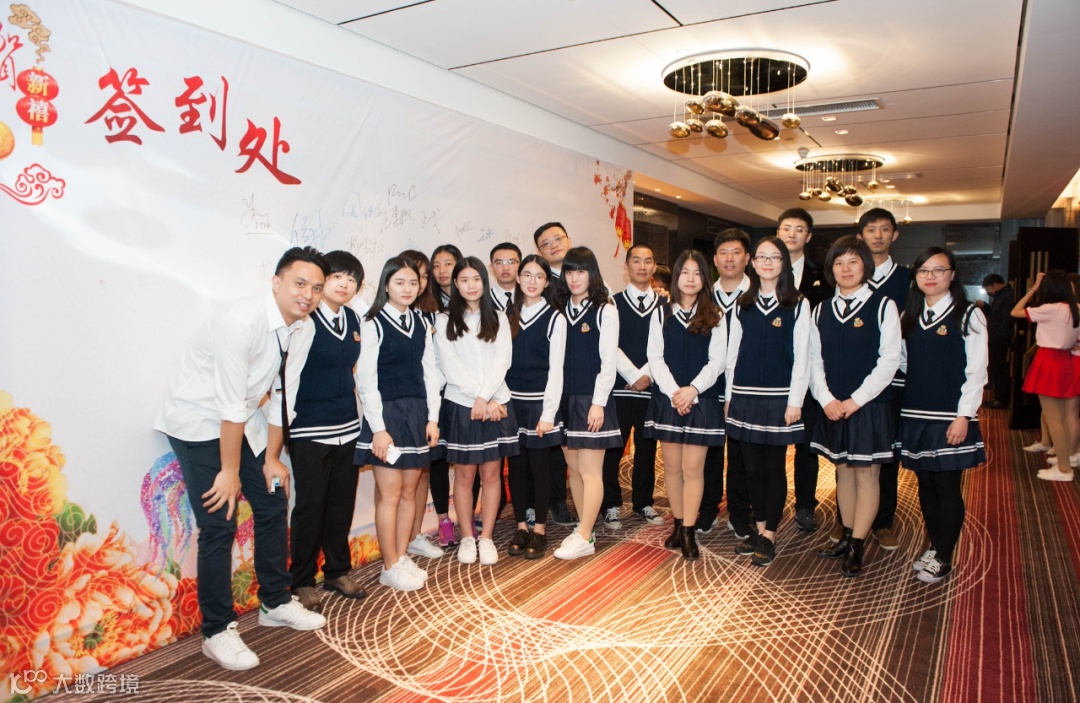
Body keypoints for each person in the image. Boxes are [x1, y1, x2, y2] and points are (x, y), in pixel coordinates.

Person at [154, 246, 328, 671]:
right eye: (299, 283)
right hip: (197, 422)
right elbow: (228, 404)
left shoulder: (303, 328)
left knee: (272, 499)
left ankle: (274, 602)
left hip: (243, 420)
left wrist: (272, 458)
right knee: (220, 520)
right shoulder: (241, 322)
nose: (307, 295)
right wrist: (229, 472)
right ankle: (216, 631)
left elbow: (283, 395)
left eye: (316, 288)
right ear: (276, 282)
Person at [811, 236, 902, 577]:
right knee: (843, 472)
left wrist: (857, 400)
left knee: (867, 475)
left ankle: (858, 545)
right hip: (834, 405)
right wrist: (826, 399)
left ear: (865, 265)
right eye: (838, 263)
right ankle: (847, 535)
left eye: (853, 261)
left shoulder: (883, 306)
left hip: (869, 406)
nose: (845, 269)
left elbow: (889, 361)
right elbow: (813, 360)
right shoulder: (820, 309)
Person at [283, 250, 367, 613]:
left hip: (347, 426)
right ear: (322, 282)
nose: (344, 284)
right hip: (309, 428)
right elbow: (287, 377)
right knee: (310, 506)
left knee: (341, 503)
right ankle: (302, 580)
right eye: (337, 277)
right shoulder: (305, 318)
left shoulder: (353, 319)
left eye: (352, 279)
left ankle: (337, 571)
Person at [898, 247, 987, 584]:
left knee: (947, 486)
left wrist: (964, 415)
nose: (930, 276)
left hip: (951, 416)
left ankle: (945, 556)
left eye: (938, 270)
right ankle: (935, 546)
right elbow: (903, 362)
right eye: (923, 271)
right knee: (925, 484)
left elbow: (977, 371)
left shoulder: (969, 315)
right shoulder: (909, 314)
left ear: (952, 274)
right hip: (916, 413)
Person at [354, 257, 442, 591]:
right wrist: (378, 428)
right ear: (386, 285)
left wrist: (432, 418)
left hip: (417, 413)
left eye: (413, 283)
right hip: (386, 416)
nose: (407, 289)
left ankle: (401, 556)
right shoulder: (373, 322)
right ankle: (389, 565)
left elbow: (430, 373)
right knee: (389, 495)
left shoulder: (421, 321)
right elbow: (366, 381)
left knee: (408, 492)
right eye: (399, 282)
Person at [726, 237, 810, 566]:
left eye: (774, 257)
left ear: (784, 263)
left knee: (774, 468)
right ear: (753, 262)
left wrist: (795, 401)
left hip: (779, 399)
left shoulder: (797, 303)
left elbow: (802, 357)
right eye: (762, 257)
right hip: (745, 397)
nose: (767, 263)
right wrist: (730, 396)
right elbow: (733, 355)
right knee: (750, 468)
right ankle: (759, 528)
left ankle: (771, 533)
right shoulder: (742, 304)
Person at [434, 256, 519, 565]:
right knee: (464, 476)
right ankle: (468, 537)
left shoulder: (498, 317)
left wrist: (487, 398)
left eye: (476, 279)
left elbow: (502, 361)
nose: (471, 285)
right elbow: (450, 366)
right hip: (462, 404)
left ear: (485, 282)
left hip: (495, 403)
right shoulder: (444, 320)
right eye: (464, 280)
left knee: (492, 474)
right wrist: (479, 398)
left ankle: (487, 538)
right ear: (455, 284)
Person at [644, 249, 726, 560]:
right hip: (668, 399)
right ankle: (678, 524)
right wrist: (674, 392)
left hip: (701, 400)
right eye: (684, 273)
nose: (690, 279)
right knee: (673, 468)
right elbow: (655, 357)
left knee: (693, 469)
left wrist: (692, 390)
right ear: (676, 277)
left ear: (705, 278)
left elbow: (717, 361)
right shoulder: (660, 313)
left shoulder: (716, 315)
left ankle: (690, 530)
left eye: (697, 273)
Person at [553, 246, 623, 559]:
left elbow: (608, 363)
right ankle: (586, 530)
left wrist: (598, 403)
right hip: (563, 399)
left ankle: (583, 535)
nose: (574, 278)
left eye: (581, 271)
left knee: (590, 470)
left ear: (591, 273)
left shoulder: (605, 309)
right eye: (569, 271)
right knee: (574, 469)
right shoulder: (559, 308)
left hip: (592, 400)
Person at [854, 207, 909, 552]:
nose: (877, 235)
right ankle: (849, 520)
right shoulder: (849, 274)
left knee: (886, 450)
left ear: (894, 235)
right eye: (871, 229)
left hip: (893, 377)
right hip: (850, 380)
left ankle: (884, 521)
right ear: (860, 235)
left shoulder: (907, 279)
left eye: (884, 229)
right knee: (849, 454)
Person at [505, 254, 565, 559]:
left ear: (547, 282)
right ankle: (520, 527)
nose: (532, 281)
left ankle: (539, 530)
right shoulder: (506, 315)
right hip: (511, 403)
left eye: (539, 277)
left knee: (540, 468)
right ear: (517, 279)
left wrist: (548, 414)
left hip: (540, 404)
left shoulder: (555, 318)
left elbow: (557, 371)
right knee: (515, 468)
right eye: (526, 275)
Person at [777, 209, 833, 533]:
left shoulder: (822, 276)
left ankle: (805, 505)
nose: (792, 234)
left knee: (806, 445)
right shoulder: (762, 271)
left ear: (808, 236)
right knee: (771, 445)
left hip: (809, 371)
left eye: (799, 229)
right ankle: (771, 502)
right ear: (778, 232)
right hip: (773, 371)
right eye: (787, 228)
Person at [603, 244, 664, 529]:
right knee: (613, 449)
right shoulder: (612, 303)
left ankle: (643, 502)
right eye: (636, 261)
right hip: (620, 388)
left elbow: (665, 346)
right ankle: (610, 504)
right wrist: (632, 374)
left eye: (647, 261)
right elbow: (609, 344)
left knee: (647, 449)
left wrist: (647, 375)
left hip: (651, 389)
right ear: (626, 266)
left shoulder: (666, 305)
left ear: (654, 267)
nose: (642, 266)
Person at [698, 228, 751, 537]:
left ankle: (739, 511)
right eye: (723, 253)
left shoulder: (758, 294)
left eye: (736, 253)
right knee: (709, 451)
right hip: (709, 386)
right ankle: (708, 509)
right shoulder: (703, 295)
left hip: (746, 386)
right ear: (715, 259)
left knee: (742, 453)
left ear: (747, 258)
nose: (729, 259)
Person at [397, 249, 448, 562]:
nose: (414, 284)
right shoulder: (385, 316)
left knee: (422, 472)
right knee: (395, 480)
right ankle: (396, 542)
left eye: (422, 277)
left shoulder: (433, 315)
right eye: (408, 277)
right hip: (400, 404)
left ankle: (414, 534)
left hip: (431, 402)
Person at [1011, 270, 1080, 481]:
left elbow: (1015, 311)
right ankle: (1064, 463)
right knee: (1061, 418)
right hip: (1065, 361)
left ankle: (1064, 469)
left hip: (1048, 360)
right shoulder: (1076, 308)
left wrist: (1033, 289)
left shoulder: (1050, 309)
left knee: (1054, 419)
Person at [533, 222, 575, 526]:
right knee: (542, 441)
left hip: (577, 372)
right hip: (545, 373)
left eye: (557, 239)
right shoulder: (539, 282)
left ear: (568, 240)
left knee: (566, 441)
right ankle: (542, 501)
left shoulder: (585, 274)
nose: (553, 245)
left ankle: (559, 500)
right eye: (545, 243)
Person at [427, 244, 462, 546]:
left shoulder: (474, 300)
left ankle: (468, 515)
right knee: (437, 459)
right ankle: (443, 520)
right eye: (436, 265)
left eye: (448, 263)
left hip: (465, 392)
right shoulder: (426, 305)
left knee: (468, 457)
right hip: (437, 391)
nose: (441, 270)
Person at [980, 273, 1015, 409]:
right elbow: (994, 315)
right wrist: (985, 306)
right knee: (995, 367)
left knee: (999, 368)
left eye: (988, 288)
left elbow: (1008, 318)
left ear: (995, 285)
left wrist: (997, 333)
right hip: (996, 336)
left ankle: (1001, 399)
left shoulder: (1008, 296)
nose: (988, 292)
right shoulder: (1001, 296)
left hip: (1000, 338)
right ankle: (997, 396)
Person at [489, 242, 521, 311]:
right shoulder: (482, 301)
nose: (505, 268)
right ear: (491, 268)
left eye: (511, 262)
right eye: (499, 263)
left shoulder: (530, 296)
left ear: (521, 266)